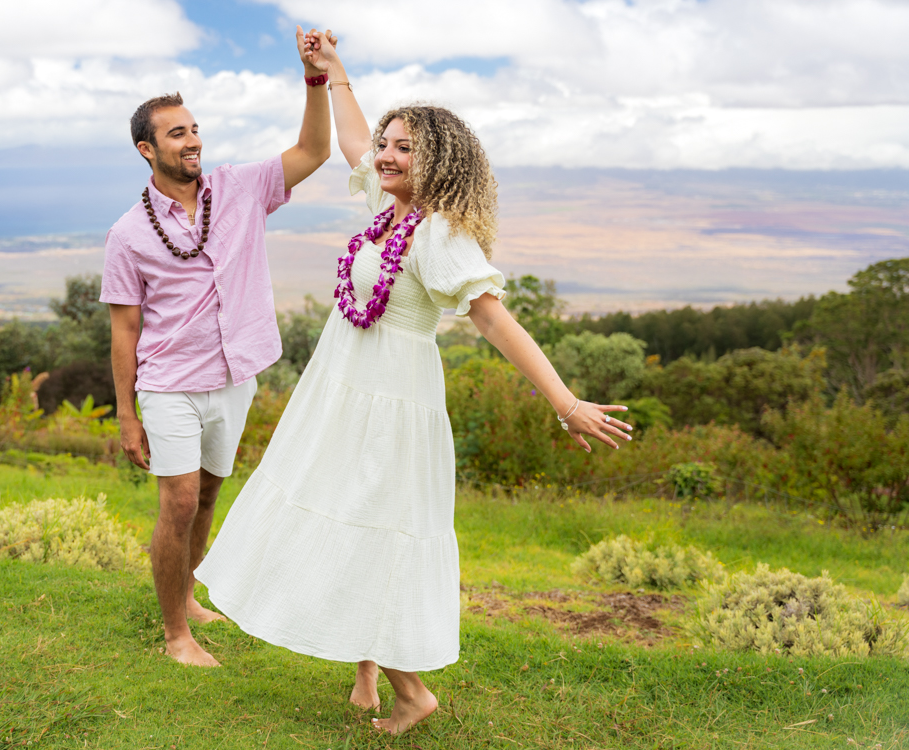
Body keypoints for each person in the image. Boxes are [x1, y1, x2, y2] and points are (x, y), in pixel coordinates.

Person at [194, 33, 633, 733]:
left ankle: (411, 690)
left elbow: (493, 321)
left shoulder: (438, 235)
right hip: (342, 388)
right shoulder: (386, 212)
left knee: (364, 525)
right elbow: (353, 144)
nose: (387, 155)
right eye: (389, 144)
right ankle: (367, 674)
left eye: (406, 148)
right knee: (341, 512)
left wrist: (565, 401)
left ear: (440, 164)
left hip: (390, 402)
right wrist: (332, 72)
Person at [100, 26, 335, 668]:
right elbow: (124, 330)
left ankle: (189, 592)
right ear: (146, 149)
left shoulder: (240, 189)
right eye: (177, 133)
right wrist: (126, 415)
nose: (193, 140)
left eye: (195, 128)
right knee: (176, 499)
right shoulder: (127, 235)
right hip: (169, 382)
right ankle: (176, 632)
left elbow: (315, 148)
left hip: (235, 378)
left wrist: (315, 76)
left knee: (206, 493)